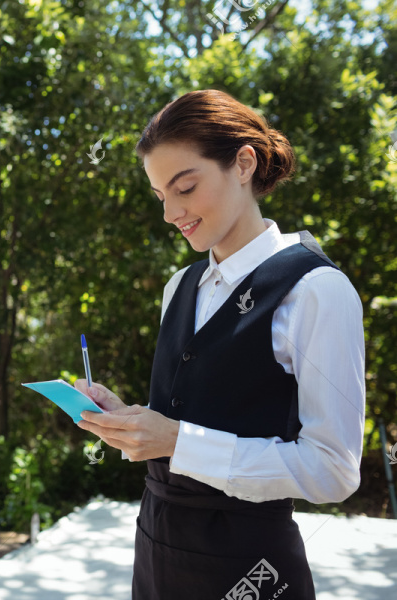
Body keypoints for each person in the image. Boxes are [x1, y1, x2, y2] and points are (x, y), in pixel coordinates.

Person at [75, 89, 364, 599]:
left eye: (185, 187)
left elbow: (333, 471)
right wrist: (130, 422)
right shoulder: (178, 287)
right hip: (157, 551)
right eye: (161, 196)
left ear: (244, 163)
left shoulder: (315, 289)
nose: (171, 214)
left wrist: (178, 442)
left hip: (251, 570)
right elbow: (187, 413)